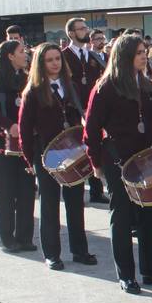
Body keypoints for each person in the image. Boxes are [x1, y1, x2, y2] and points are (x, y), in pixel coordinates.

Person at [83, 34, 152, 293]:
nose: (144, 56)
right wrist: (95, 162)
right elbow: (91, 127)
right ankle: (126, 275)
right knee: (121, 215)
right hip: (118, 159)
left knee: (149, 214)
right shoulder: (106, 86)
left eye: (145, 51)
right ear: (124, 56)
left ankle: (151, 271)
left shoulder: (147, 83)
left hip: (146, 158)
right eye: (139, 52)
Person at [20, 42, 93, 270]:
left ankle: (80, 250)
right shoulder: (33, 92)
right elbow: (24, 128)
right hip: (47, 153)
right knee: (49, 203)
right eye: (49, 60)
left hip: (72, 152)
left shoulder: (71, 86)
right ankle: (52, 253)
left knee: (75, 202)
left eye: (57, 59)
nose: (55, 63)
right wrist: (29, 158)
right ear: (41, 64)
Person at [0, 40, 37, 253]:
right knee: (5, 192)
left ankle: (25, 237)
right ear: (9, 56)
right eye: (21, 52)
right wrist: (9, 125)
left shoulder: (27, 79)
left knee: (26, 190)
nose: (25, 55)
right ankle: (8, 237)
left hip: (25, 143)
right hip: (2, 142)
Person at [62, 18, 109, 204]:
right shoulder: (63, 55)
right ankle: (76, 188)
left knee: (93, 146)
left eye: (85, 28)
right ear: (72, 33)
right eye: (81, 29)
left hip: (91, 111)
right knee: (75, 151)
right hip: (73, 110)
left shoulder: (93, 56)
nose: (85, 31)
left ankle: (96, 190)